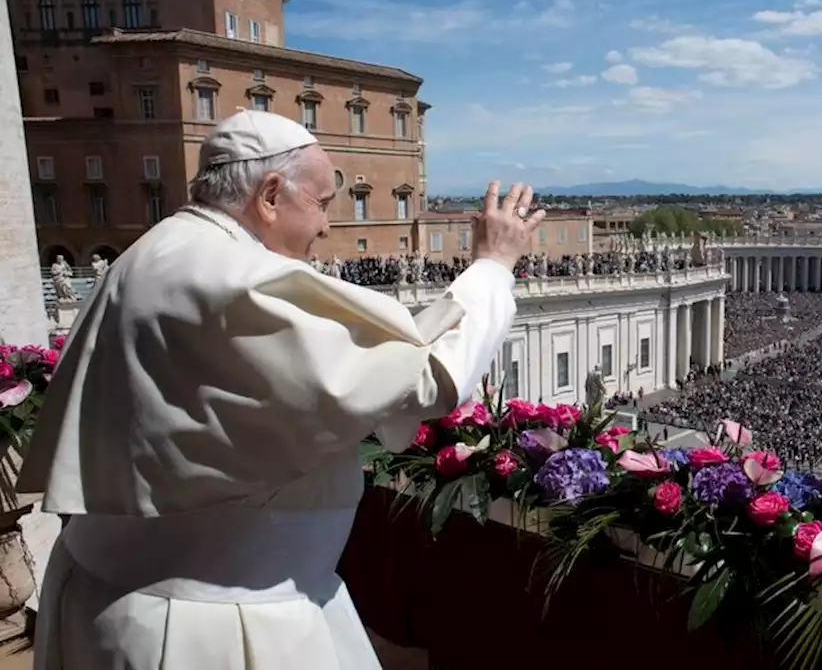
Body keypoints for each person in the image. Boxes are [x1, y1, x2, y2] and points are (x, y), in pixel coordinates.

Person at [17, 110, 547, 669]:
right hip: (209, 625)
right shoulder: (235, 277)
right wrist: (492, 268)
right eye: (321, 204)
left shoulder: (154, 254)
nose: (325, 228)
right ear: (270, 194)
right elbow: (425, 381)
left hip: (111, 593)